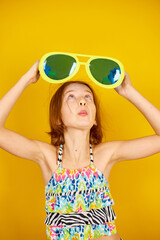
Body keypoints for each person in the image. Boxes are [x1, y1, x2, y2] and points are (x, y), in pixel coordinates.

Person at [0, 60, 160, 240]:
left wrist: (129, 92)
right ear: (58, 118)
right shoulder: (47, 157)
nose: (82, 101)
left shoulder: (106, 154)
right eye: (71, 97)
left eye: (88, 97)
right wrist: (26, 79)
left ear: (95, 119)